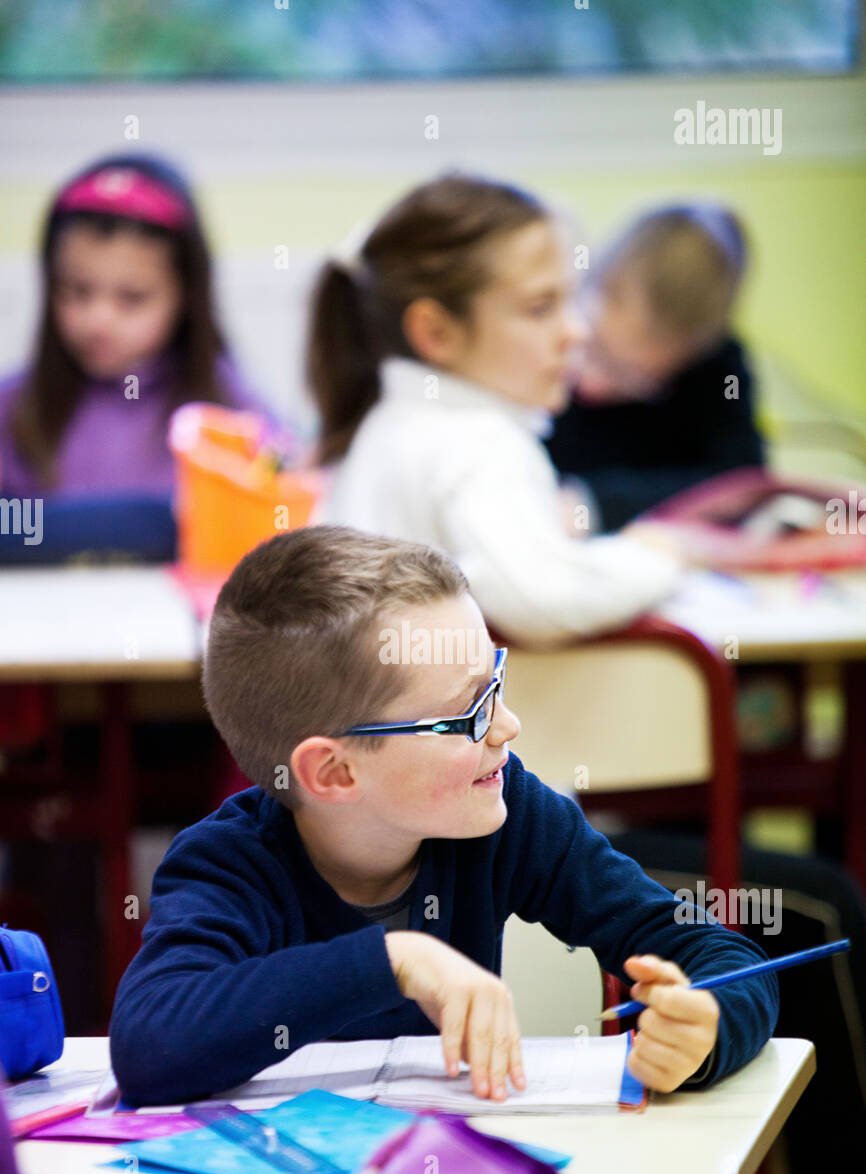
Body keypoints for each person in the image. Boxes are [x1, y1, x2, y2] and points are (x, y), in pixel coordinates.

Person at [109, 525, 778, 1108]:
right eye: (468, 715)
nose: (508, 727)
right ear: (335, 773)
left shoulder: (509, 813)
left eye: (497, 685)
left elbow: (719, 953)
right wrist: (393, 959)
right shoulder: (228, 864)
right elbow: (148, 1044)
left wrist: (708, 1025)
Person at [308, 173, 685, 650]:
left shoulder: (388, 425)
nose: (576, 332)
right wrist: (658, 556)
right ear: (437, 333)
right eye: (540, 307)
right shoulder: (478, 443)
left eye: (571, 299)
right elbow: (543, 600)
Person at [0, 151, 273, 564]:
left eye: (132, 299)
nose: (99, 320)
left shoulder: (231, 413)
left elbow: (281, 512)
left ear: (186, 297)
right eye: (77, 291)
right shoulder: (14, 407)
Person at [544, 203, 765, 532]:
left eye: (632, 378)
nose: (592, 384)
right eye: (594, 350)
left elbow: (741, 482)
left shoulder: (719, 370)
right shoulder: (549, 321)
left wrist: (593, 503)